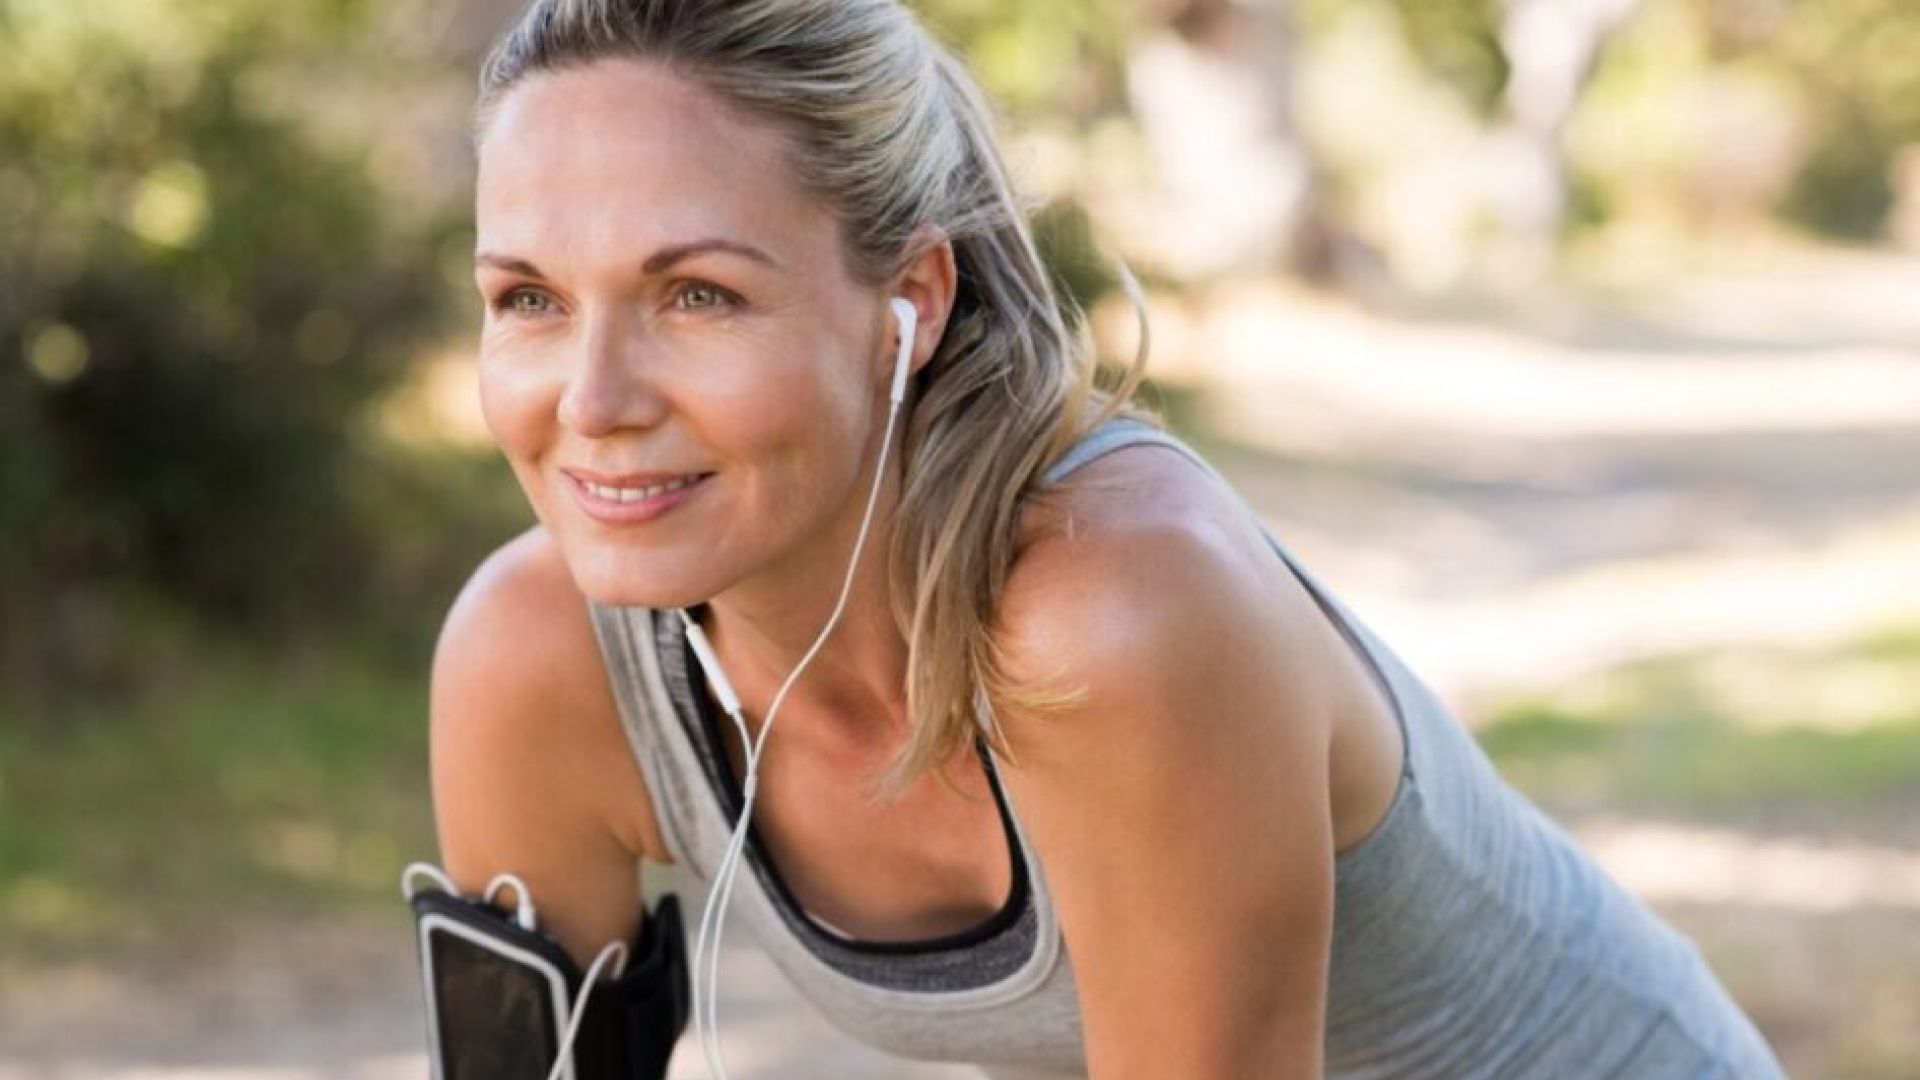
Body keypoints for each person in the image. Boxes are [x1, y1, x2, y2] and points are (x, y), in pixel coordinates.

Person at [427, 1, 1789, 1076]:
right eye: (529, 299)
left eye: (698, 296)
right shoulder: (537, 660)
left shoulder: (1115, 611)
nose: (592, 403)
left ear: (906, 300)